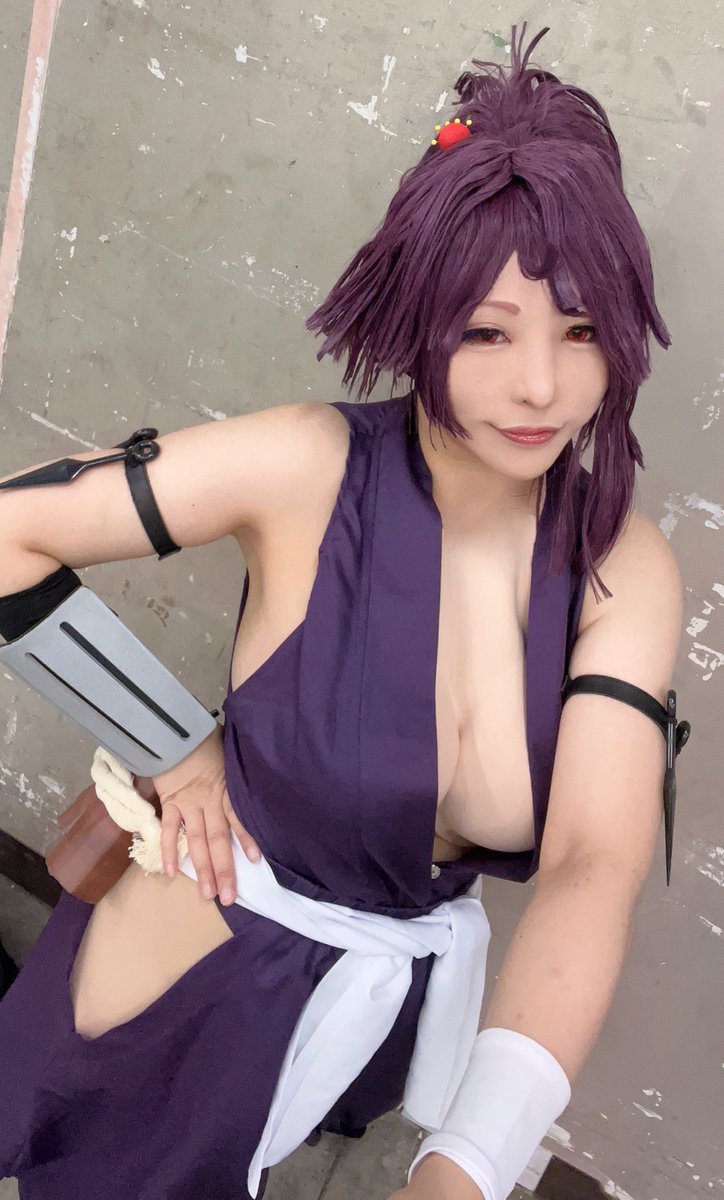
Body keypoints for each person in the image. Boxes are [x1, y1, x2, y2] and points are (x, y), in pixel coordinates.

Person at [0, 22, 690, 1200]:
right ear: (421, 315)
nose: (540, 384)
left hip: (360, 1005)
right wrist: (180, 744)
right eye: (487, 331)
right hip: (186, 970)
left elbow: (592, 864)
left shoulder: (618, 560)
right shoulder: (306, 466)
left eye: (580, 331)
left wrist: (465, 1165)